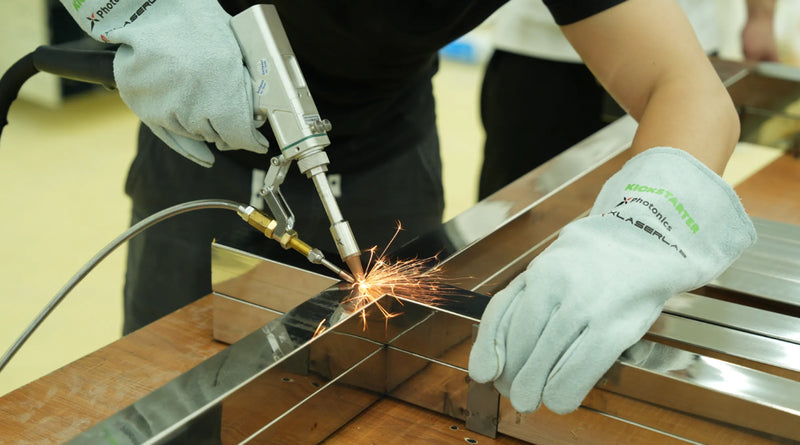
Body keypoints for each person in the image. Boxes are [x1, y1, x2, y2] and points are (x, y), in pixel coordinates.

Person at [58, 0, 755, 415]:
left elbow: (687, 87)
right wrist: (134, 8)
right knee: (168, 395)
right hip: (201, 151)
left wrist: (636, 231)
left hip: (386, 144)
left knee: (376, 392)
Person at [479, 0, 779, 199]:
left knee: (660, 212)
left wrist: (761, 17)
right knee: (517, 215)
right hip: (540, 48)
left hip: (680, 47)